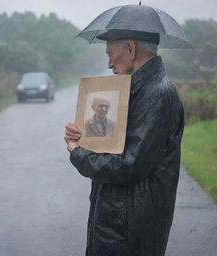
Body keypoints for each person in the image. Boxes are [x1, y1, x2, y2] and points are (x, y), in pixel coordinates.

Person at [64, 37, 184, 256]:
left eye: (110, 53)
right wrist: (84, 138)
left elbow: (129, 165)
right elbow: (118, 146)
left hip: (130, 227)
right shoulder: (138, 89)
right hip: (121, 220)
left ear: (130, 48)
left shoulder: (156, 93)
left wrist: (77, 152)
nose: (109, 64)